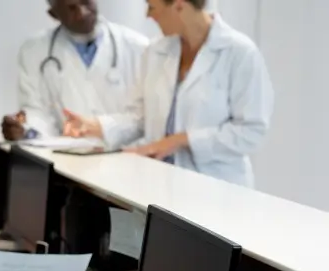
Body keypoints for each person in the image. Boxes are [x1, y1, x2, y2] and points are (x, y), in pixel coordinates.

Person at [66, 0, 274, 188]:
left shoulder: (240, 53)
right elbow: (140, 118)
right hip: (161, 186)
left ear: (179, 6)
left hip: (217, 190)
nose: (148, 15)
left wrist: (182, 140)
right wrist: (97, 126)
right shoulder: (156, 51)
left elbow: (251, 132)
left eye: (152, 7)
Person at [2, 0, 150, 140]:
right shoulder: (33, 51)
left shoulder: (138, 47)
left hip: (127, 156)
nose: (82, 13)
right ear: (54, 14)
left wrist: (102, 127)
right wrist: (24, 130)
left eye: (85, 1)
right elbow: (37, 111)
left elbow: (144, 115)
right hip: (67, 158)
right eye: (71, 7)